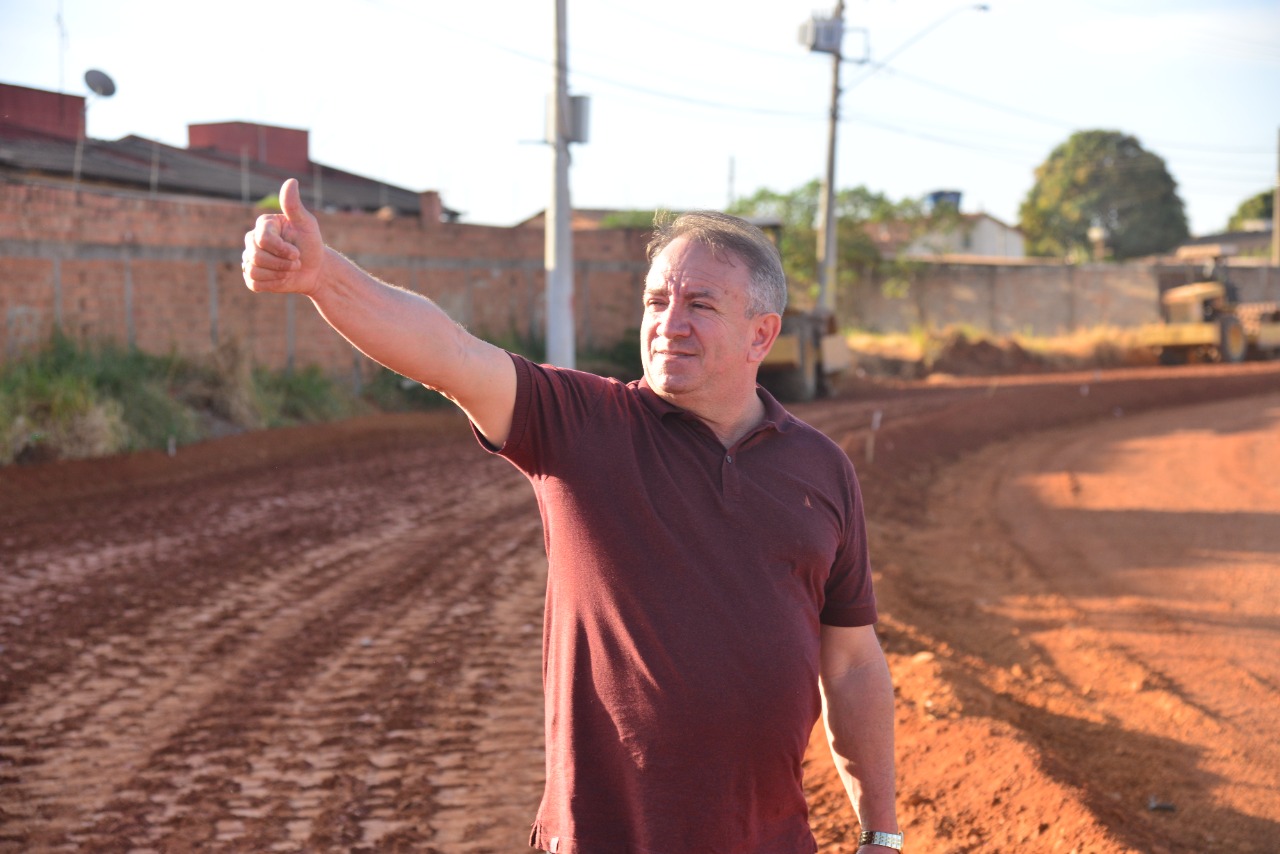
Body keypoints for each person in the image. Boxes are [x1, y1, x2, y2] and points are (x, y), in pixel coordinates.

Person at [243, 178, 900, 853]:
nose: (669, 322)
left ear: (763, 334)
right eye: (656, 300)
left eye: (700, 304)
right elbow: (450, 354)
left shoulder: (820, 469)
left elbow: (850, 662)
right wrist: (324, 276)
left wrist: (881, 833)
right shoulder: (582, 426)